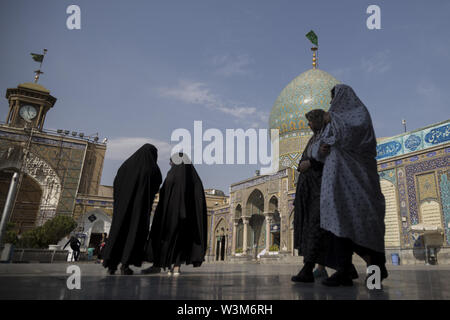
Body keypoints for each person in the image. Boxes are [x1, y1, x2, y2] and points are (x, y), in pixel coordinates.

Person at [318, 84, 387, 287]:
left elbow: (355, 135)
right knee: (339, 226)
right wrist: (323, 148)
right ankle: (344, 271)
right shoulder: (334, 120)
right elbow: (328, 142)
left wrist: (333, 120)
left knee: (366, 228)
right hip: (338, 184)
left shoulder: (358, 115)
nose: (331, 104)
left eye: (333, 100)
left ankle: (375, 275)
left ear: (342, 99)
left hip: (358, 184)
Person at [291, 109, 358, 283]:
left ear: (320, 120)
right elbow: (302, 161)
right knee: (318, 230)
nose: (309, 125)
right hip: (311, 191)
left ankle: (309, 268)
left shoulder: (330, 136)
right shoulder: (314, 139)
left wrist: (311, 163)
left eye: (311, 121)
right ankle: (343, 269)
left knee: (319, 228)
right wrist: (304, 164)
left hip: (323, 190)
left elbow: (329, 157)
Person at [143, 153, 207, 276]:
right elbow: (199, 202)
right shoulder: (194, 178)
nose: (170, 163)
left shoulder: (172, 175)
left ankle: (158, 265)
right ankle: (176, 266)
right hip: (185, 218)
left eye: (171, 161)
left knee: (164, 239)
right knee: (180, 240)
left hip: (167, 217)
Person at [102, 144, 162, 275]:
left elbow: (116, 183)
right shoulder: (153, 169)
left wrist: (121, 202)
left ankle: (111, 265)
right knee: (134, 235)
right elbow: (156, 187)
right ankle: (125, 265)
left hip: (122, 210)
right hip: (140, 212)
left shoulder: (126, 166)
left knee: (118, 232)